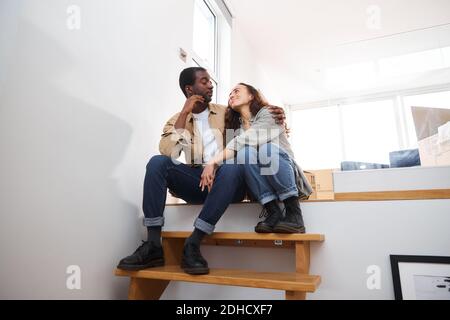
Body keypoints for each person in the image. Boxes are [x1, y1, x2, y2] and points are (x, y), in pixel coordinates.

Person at [117, 69, 286, 275]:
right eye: (204, 81)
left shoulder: (226, 112)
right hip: (198, 181)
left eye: (210, 81)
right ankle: (153, 245)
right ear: (190, 89)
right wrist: (184, 113)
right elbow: (170, 151)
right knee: (157, 162)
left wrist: (271, 111)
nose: (210, 85)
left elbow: (254, 122)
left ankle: (194, 242)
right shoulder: (177, 119)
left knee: (232, 166)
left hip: (230, 180)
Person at [200, 83, 313, 234]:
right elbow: (237, 150)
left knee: (265, 149)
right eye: (229, 94)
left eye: (236, 91)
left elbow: (247, 139)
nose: (231, 95)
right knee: (243, 154)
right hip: (260, 185)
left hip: (285, 175)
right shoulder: (235, 128)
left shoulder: (269, 113)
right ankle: (273, 211)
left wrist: (213, 162)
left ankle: (294, 214)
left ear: (251, 96)